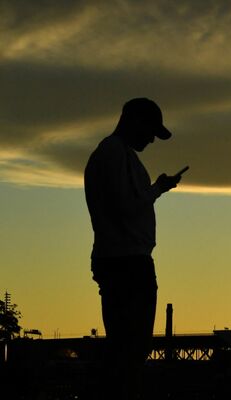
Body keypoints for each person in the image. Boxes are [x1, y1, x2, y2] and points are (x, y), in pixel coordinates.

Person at [84, 97, 182, 399]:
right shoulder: (115, 154)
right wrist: (156, 189)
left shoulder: (113, 154)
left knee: (125, 349)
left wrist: (157, 189)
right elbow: (126, 206)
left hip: (118, 260)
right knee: (132, 350)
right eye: (151, 131)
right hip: (127, 262)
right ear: (133, 122)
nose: (152, 139)